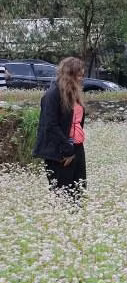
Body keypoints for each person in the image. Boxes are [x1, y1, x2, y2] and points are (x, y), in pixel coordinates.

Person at [33, 57, 87, 203]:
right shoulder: (53, 95)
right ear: (69, 74)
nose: (82, 78)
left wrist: (74, 148)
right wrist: (67, 150)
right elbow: (50, 125)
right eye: (79, 75)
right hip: (59, 153)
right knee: (63, 197)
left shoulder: (74, 95)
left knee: (78, 192)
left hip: (76, 147)